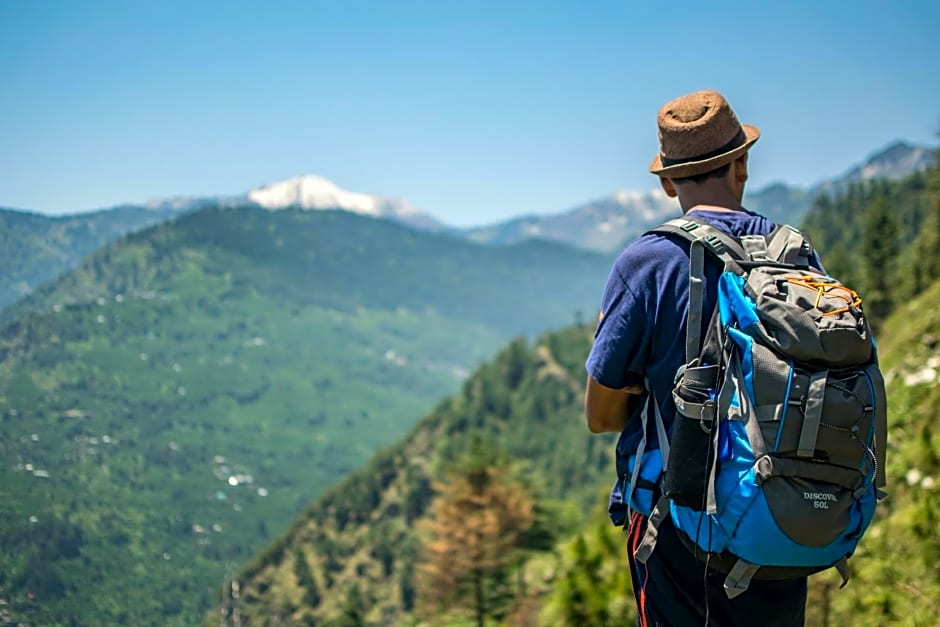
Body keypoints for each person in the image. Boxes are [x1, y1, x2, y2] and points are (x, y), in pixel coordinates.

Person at [584, 89, 809, 626]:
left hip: (679, 526)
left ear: (666, 182)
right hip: (781, 516)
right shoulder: (794, 255)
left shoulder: (648, 263)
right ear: (743, 164)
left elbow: (601, 417)